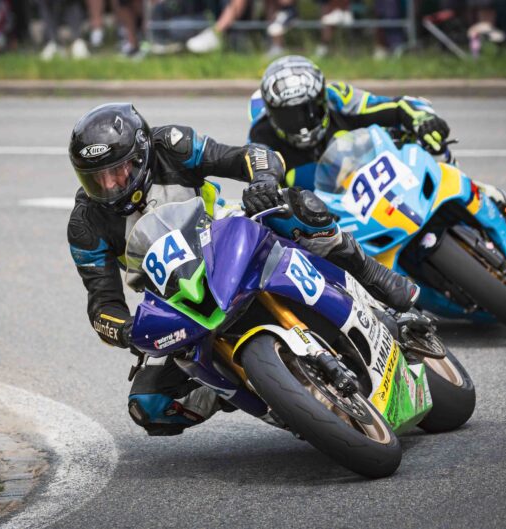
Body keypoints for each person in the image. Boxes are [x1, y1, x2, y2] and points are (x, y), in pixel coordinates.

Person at [67, 102, 418, 436]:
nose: (109, 186)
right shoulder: (85, 225)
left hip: (227, 239)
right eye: (96, 179)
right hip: (179, 299)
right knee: (148, 405)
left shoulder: (171, 145)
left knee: (296, 206)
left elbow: (251, 156)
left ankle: (371, 275)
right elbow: (102, 306)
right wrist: (126, 330)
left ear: (141, 156)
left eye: (117, 171)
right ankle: (247, 387)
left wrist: (263, 180)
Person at [248, 55, 452, 191]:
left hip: (378, 187)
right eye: (288, 116)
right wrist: (263, 188)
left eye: (308, 110)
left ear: (322, 100)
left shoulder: (339, 98)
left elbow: (399, 106)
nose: (300, 122)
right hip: (317, 222)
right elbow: (260, 174)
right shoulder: (261, 132)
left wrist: (424, 120)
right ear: (271, 113)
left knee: (433, 146)